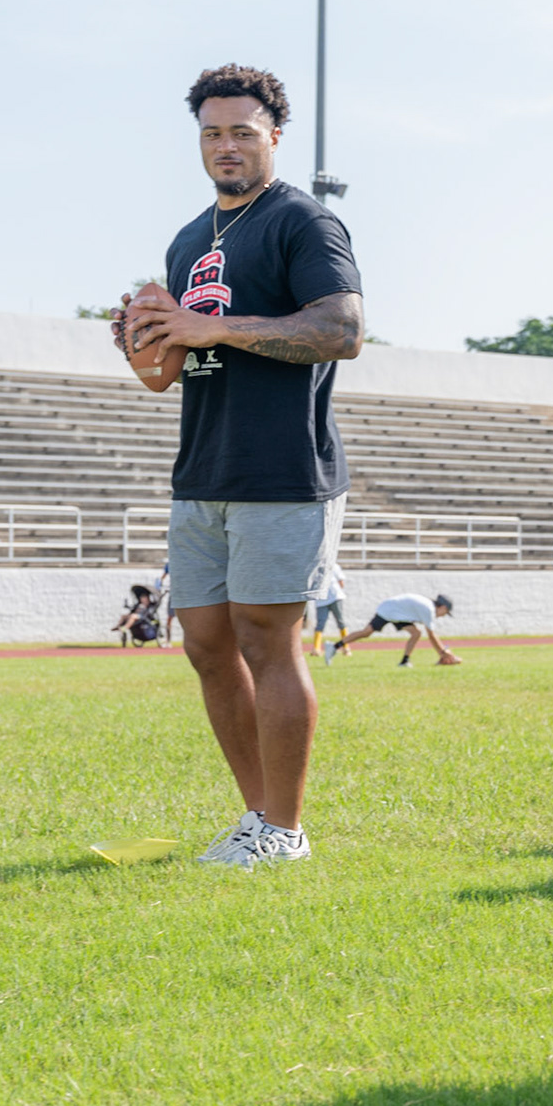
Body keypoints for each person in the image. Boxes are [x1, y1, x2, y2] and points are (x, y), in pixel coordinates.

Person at [111, 63, 365, 868]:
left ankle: (286, 830)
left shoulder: (303, 222)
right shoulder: (188, 239)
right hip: (203, 467)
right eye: (212, 133)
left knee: (267, 638)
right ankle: (257, 816)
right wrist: (144, 339)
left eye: (243, 132)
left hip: (282, 467)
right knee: (206, 644)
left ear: (274, 137)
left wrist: (212, 327)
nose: (226, 145)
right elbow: (166, 374)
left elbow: (341, 330)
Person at [328, 594, 459, 667]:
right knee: (366, 632)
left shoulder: (427, 606)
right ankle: (334, 647)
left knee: (416, 633)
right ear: (442, 607)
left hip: (397, 613)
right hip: (389, 610)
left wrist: (443, 653)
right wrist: (444, 652)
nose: (443, 615)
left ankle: (404, 661)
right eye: (445, 612)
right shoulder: (428, 609)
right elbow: (431, 635)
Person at [308, 566, 350, 660]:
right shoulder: (314, 567)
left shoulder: (334, 566)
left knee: (340, 622)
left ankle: (346, 647)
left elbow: (341, 582)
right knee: (320, 624)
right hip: (321, 600)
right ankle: (316, 649)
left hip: (335, 598)